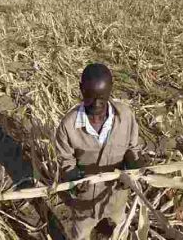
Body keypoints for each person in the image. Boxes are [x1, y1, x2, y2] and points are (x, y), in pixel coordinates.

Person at [55, 63, 145, 239]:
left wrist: (133, 168)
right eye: (90, 96)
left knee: (119, 228)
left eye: (102, 98)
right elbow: (65, 159)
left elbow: (132, 148)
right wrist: (74, 177)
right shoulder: (68, 126)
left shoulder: (125, 117)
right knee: (80, 234)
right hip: (84, 201)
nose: (96, 104)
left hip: (117, 195)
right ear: (81, 89)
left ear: (111, 89)